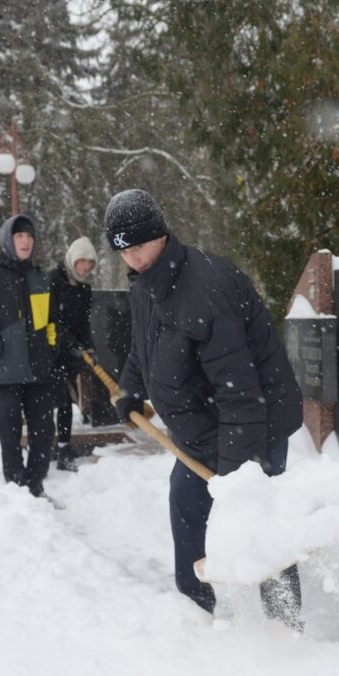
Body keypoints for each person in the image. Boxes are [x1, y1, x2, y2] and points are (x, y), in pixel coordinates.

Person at [107, 189, 305, 630]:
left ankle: (287, 627)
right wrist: (130, 388)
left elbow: (240, 390)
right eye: (123, 251)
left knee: (258, 521)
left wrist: (237, 474)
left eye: (138, 246)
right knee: (185, 504)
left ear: (160, 236)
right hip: (202, 427)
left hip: (255, 423)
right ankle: (194, 613)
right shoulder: (145, 285)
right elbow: (145, 345)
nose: (132, 259)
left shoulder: (206, 289)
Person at [0, 213, 60, 502]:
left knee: (43, 433)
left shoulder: (41, 278)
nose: (26, 241)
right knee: (10, 435)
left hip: (39, 371)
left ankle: (35, 488)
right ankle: (16, 491)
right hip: (6, 374)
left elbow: (51, 322)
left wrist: (49, 349)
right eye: (20, 236)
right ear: (8, 240)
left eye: (30, 236)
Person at [49, 236, 99, 472]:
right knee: (48, 401)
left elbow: (83, 323)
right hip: (49, 350)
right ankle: (47, 445)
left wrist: (88, 347)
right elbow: (50, 318)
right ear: (72, 258)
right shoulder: (51, 280)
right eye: (82, 262)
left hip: (69, 354)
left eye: (90, 264)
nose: (85, 268)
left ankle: (63, 449)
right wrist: (68, 341)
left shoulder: (84, 289)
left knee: (67, 402)